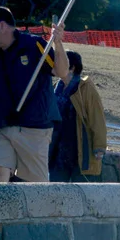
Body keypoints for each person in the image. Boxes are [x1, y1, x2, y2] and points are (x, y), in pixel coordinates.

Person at [0, 7, 56, 183]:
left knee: (36, 186)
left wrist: (59, 43)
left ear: (2, 26)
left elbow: (60, 71)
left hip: (33, 127)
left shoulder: (35, 45)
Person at [47, 36, 107, 183]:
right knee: (55, 190)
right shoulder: (56, 88)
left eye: (61, 61)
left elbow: (96, 117)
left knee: (82, 191)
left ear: (72, 67)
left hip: (79, 150)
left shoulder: (85, 88)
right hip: (57, 151)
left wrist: (99, 146)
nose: (56, 64)